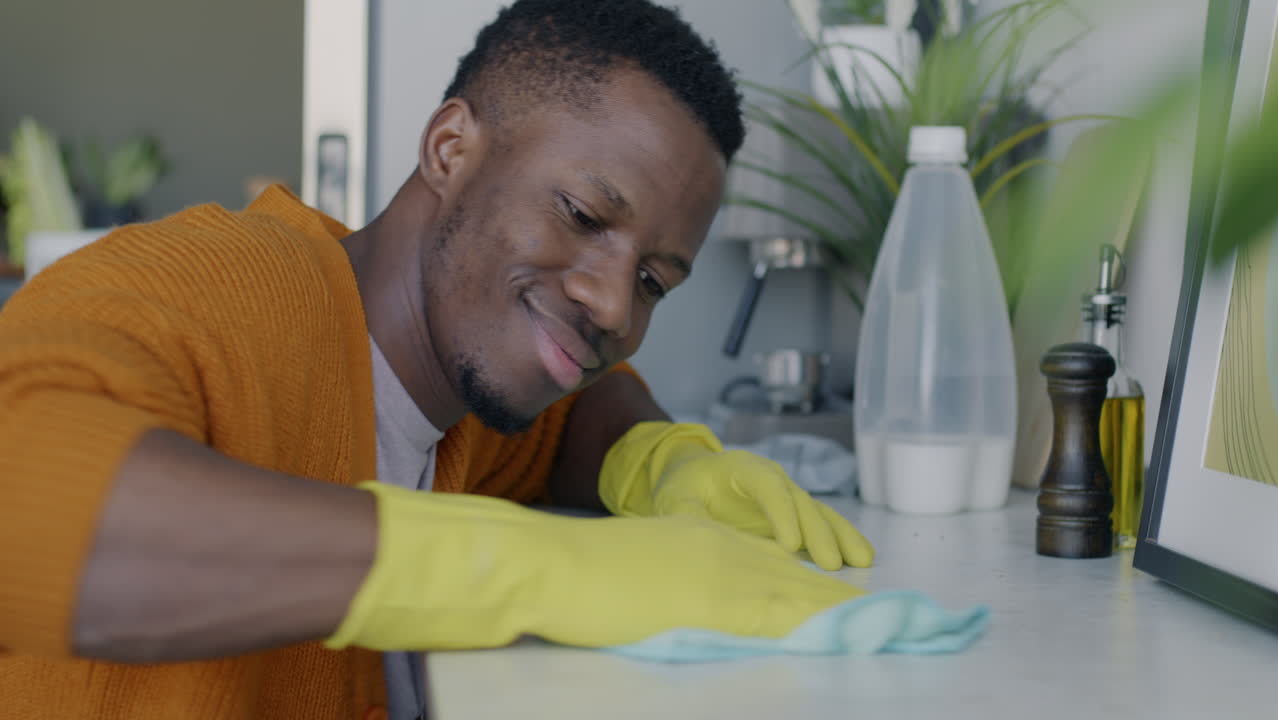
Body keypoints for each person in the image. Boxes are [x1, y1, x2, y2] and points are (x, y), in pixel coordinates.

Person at [0, 1, 873, 718]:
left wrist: (663, 462)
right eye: (579, 213)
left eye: (652, 278)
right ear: (450, 148)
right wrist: (527, 568)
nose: (614, 305)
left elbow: (570, 422)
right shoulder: (223, 284)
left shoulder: (459, 385)